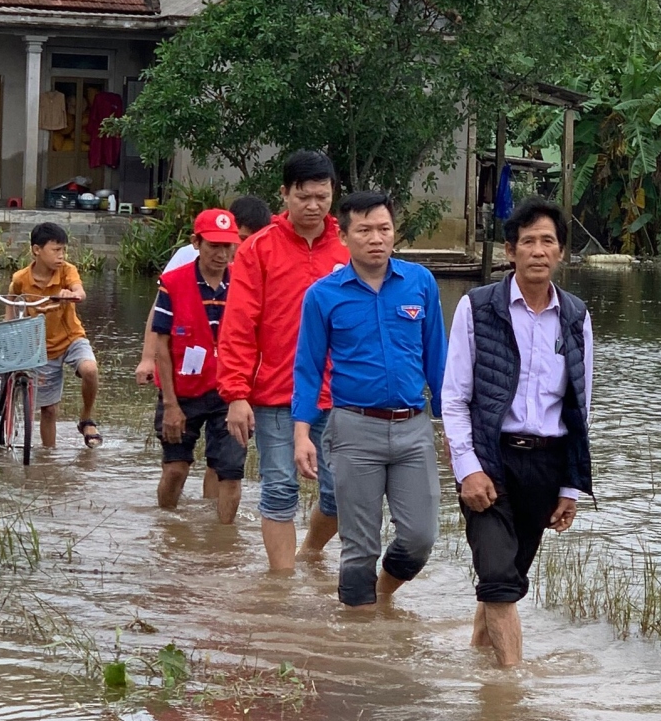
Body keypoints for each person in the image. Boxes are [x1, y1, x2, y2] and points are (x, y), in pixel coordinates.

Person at [441, 197, 594, 666]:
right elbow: (454, 396)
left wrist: (570, 486)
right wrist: (467, 469)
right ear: (510, 251)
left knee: (504, 580)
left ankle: (476, 667)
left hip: (544, 466)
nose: (538, 250)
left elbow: (580, 405)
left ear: (561, 253)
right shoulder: (477, 307)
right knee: (499, 581)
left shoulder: (575, 316)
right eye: (527, 241)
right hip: (491, 459)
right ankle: (511, 690)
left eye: (548, 241)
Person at [293, 191, 447, 606]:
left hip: (413, 428)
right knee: (359, 548)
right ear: (343, 237)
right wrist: (302, 433)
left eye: (384, 229)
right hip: (354, 429)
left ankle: (382, 596)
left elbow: (438, 361)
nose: (376, 238)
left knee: (420, 538)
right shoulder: (324, 296)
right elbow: (307, 369)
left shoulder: (420, 283)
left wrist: (453, 427)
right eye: (364, 230)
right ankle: (358, 643)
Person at [218, 152, 349, 572]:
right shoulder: (257, 249)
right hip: (276, 392)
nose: (313, 206)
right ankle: (281, 586)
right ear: (285, 194)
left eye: (322, 197)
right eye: (304, 196)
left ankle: (310, 550)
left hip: (341, 394)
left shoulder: (349, 247)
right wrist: (237, 394)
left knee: (339, 493)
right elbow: (238, 325)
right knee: (278, 488)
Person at [152, 208, 246, 523]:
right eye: (213, 246)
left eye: (228, 246)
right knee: (176, 470)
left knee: (230, 473)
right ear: (196, 242)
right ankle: (166, 526)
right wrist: (170, 405)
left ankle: (223, 542)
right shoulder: (172, 283)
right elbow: (161, 346)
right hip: (183, 392)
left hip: (229, 392)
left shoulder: (244, 283)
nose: (221, 254)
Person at [134, 196, 273, 386]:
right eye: (241, 239)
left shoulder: (262, 262)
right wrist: (148, 358)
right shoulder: (188, 255)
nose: (245, 247)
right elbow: (160, 309)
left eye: (253, 240)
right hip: (189, 365)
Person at [7, 222, 101, 448]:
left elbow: (80, 291)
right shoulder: (21, 278)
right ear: (37, 250)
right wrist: (10, 329)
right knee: (48, 410)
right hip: (42, 347)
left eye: (63, 250)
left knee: (90, 369)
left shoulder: (67, 271)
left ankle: (86, 418)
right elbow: (11, 299)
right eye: (55, 250)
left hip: (71, 338)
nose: (61, 255)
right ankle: (48, 459)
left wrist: (71, 294)